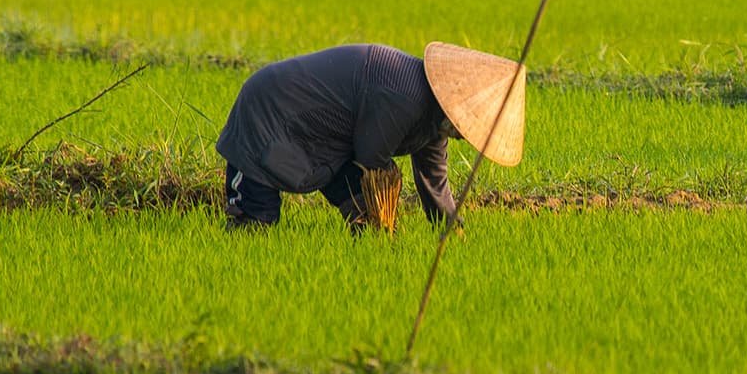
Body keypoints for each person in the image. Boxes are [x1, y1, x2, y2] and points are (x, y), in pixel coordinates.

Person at [215, 41, 525, 231]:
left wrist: (450, 231)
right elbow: (371, 160)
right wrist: (387, 196)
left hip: (323, 138)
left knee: (369, 225)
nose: (465, 136)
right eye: (468, 126)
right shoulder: (404, 97)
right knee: (255, 223)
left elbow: (433, 179)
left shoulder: (433, 115)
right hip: (271, 112)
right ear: (453, 106)